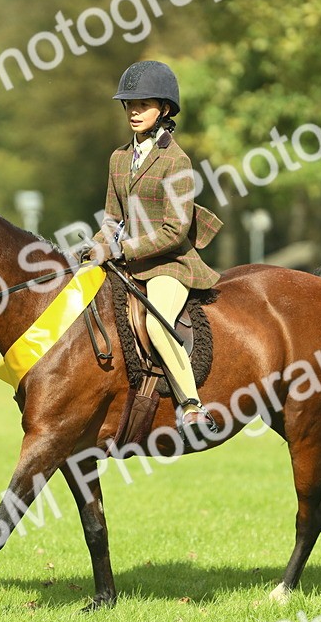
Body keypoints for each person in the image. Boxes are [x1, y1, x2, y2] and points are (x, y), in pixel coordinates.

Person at [88, 60, 223, 440]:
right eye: (129, 104)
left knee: (155, 321)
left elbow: (175, 230)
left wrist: (121, 251)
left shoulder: (177, 160)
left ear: (163, 109)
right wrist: (97, 247)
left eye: (142, 104)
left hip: (170, 264)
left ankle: (192, 406)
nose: (133, 112)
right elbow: (112, 219)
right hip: (128, 262)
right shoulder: (118, 158)